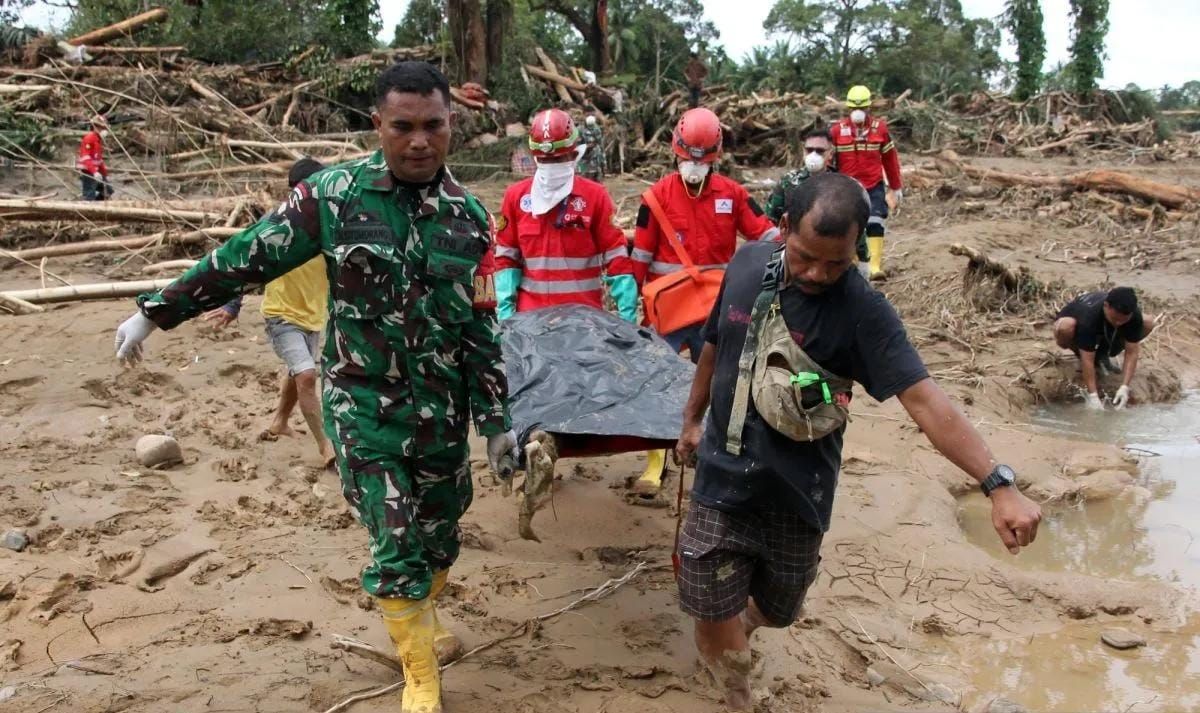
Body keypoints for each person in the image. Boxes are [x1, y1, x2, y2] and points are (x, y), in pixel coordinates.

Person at [113, 61, 517, 713]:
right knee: (394, 541)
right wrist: (155, 311)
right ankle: (420, 676)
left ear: (452, 126)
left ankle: (422, 612)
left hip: (443, 414)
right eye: (404, 126)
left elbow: (479, 329)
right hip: (364, 410)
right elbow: (248, 254)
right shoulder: (333, 197)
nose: (420, 141)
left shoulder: (469, 219)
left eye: (434, 126)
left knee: (441, 536)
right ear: (377, 126)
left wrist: (497, 422)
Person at [674, 173, 1043, 711]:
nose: (817, 274)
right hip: (721, 478)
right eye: (804, 257)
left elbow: (925, 401)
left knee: (778, 609)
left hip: (797, 491)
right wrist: (691, 419)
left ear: (857, 250)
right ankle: (738, 696)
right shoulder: (748, 265)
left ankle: (748, 620)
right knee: (709, 606)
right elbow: (714, 346)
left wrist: (997, 483)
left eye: (837, 263)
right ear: (782, 230)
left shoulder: (864, 312)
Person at [199, 157, 335, 467]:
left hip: (312, 317)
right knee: (306, 374)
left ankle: (279, 422)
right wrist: (232, 305)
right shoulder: (277, 226)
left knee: (297, 372)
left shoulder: (329, 228)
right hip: (281, 315)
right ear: (298, 193)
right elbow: (249, 263)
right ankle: (326, 446)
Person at [631, 107, 779, 363]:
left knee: (710, 382)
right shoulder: (656, 198)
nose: (694, 166)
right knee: (656, 375)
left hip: (713, 310)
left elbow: (766, 234)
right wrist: (629, 297)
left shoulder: (733, 195)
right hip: (668, 311)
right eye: (690, 158)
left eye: (701, 160)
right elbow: (641, 255)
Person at [494, 108, 636, 322]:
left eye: (558, 159)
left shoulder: (594, 197)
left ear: (573, 154)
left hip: (583, 321)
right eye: (544, 160)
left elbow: (616, 259)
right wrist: (504, 314)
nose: (551, 166)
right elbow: (506, 259)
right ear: (535, 157)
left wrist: (627, 318)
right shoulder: (517, 198)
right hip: (532, 322)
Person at [828, 86, 903, 280]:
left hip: (873, 185)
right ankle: (852, 265)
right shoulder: (837, 131)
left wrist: (895, 186)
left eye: (860, 108)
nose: (857, 112)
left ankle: (874, 266)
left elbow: (890, 158)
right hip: (848, 188)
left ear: (869, 108)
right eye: (853, 108)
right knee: (851, 226)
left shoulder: (880, 129)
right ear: (848, 109)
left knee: (875, 222)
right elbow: (829, 161)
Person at [1053, 287, 1155, 410]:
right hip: (1075, 333)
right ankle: (1088, 353)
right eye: (1115, 319)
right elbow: (1087, 360)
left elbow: (1131, 353)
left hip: (1107, 335)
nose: (1119, 323)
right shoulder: (1089, 316)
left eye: (1123, 321)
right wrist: (1093, 396)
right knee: (1066, 326)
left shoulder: (1133, 315)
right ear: (1106, 306)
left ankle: (1103, 354)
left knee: (1148, 322)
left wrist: (1125, 387)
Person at [77, 114, 112, 201]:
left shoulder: (98, 140)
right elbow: (86, 157)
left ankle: (97, 205)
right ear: (96, 127)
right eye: (102, 128)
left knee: (108, 190)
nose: (105, 130)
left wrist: (105, 175)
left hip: (96, 172)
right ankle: (89, 207)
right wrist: (94, 172)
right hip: (88, 171)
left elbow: (99, 160)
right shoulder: (89, 138)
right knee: (89, 194)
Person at [577, 114, 606, 182]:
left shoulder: (596, 129)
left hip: (594, 153)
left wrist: (603, 160)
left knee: (595, 172)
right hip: (583, 154)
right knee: (583, 174)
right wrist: (586, 146)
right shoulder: (580, 130)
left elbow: (600, 142)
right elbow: (577, 143)